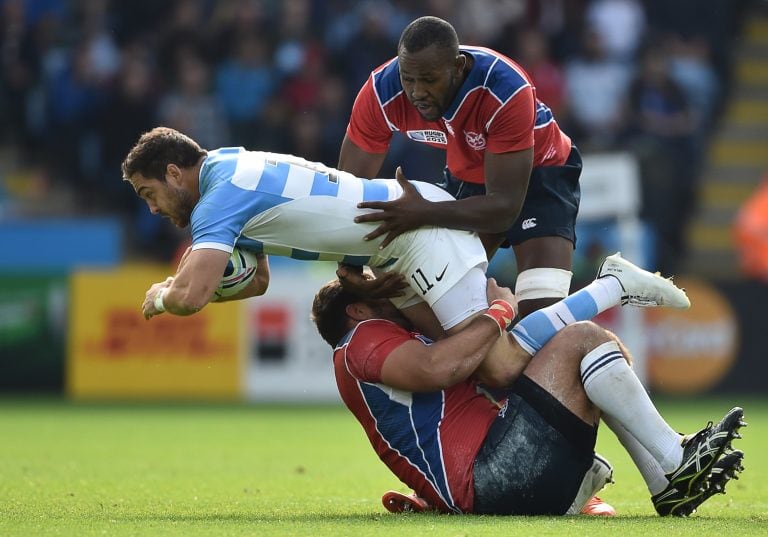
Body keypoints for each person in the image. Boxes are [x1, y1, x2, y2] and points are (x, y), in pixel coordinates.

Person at [311, 254, 746, 517]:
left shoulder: (383, 343)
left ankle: (664, 479)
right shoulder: (359, 342)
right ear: (355, 312)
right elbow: (435, 368)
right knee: (583, 340)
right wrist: (499, 310)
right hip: (492, 477)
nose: (389, 297)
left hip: (496, 475)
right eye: (376, 295)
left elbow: (501, 360)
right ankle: (674, 458)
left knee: (596, 349)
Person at [124, 126, 556, 385]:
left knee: (496, 365)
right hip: (392, 248)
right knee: (466, 356)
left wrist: (162, 296)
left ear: (174, 173)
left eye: (150, 194)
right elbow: (256, 281)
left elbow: (192, 294)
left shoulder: (219, 200)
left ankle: (606, 291)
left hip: (416, 230)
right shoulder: (229, 166)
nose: (153, 209)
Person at [337, 16, 583, 318]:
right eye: (408, 79)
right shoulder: (380, 92)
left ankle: (612, 285)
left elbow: (503, 209)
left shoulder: (505, 88)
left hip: (542, 171)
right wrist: (349, 265)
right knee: (436, 313)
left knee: (544, 315)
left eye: (429, 80)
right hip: (468, 178)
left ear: (458, 67)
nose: (416, 92)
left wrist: (422, 212)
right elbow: (347, 189)